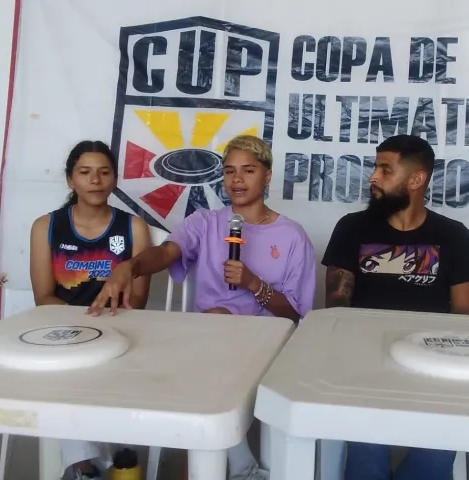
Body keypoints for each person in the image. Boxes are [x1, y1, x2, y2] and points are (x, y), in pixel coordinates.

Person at [87, 134, 317, 480]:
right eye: (229, 172)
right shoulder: (205, 223)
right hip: (208, 343)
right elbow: (166, 253)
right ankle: (243, 468)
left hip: (267, 349)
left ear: (267, 176)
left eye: (248, 171)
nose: (237, 180)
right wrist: (129, 267)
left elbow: (295, 314)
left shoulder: (293, 236)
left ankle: (235, 466)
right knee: (210, 326)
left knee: (207, 338)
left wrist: (254, 284)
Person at [321, 134, 469, 480]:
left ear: (416, 180)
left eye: (385, 169)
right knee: (366, 447)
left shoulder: (454, 236)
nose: (373, 177)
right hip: (363, 365)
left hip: (433, 366)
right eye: (375, 167)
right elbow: (336, 309)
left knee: (439, 448)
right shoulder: (352, 228)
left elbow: (466, 317)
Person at [29, 140, 152, 480]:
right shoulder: (47, 227)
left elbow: (137, 302)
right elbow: (43, 297)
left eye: (104, 172)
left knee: (101, 373)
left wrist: (101, 328)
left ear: (114, 179)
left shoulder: (133, 228)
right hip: (65, 333)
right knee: (72, 371)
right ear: (71, 180)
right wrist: (85, 329)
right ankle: (96, 466)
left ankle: (86, 468)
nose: (95, 180)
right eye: (85, 173)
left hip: (121, 330)